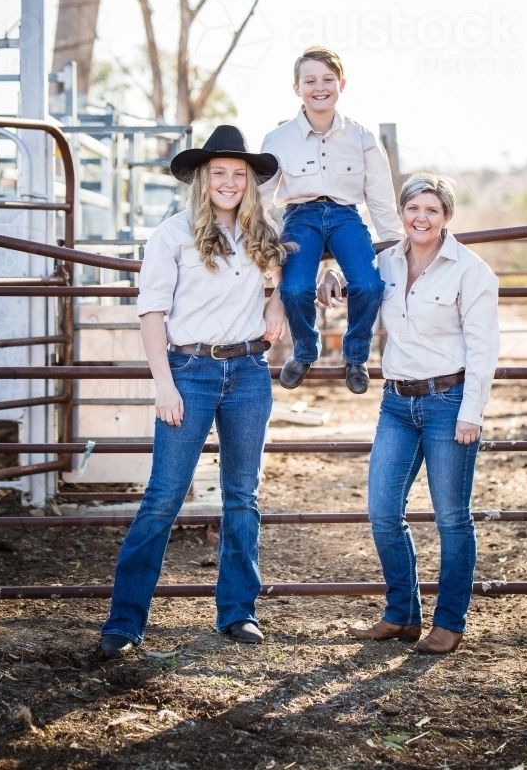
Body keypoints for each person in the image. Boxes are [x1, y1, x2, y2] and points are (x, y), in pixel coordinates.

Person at [99, 126, 287, 658]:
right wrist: (164, 384)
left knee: (242, 496)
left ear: (249, 183)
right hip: (189, 371)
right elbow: (152, 313)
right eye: (219, 173)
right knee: (164, 497)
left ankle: (238, 612)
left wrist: (273, 305)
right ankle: (125, 621)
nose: (228, 182)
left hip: (248, 372)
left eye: (238, 174)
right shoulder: (173, 234)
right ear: (203, 180)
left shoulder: (261, 233)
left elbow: (276, 283)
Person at [319, 172, 499, 654]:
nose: (421, 218)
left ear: (446, 217)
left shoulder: (471, 271)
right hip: (396, 403)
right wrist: (334, 273)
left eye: (432, 210)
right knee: (382, 511)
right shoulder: (385, 263)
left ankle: (450, 622)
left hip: (448, 404)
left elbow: (484, 348)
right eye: (413, 209)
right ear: (402, 213)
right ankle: (402, 614)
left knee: (452, 519)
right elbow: (354, 283)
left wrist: (472, 413)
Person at [259, 45, 403, 395]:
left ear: (342, 83)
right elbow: (259, 201)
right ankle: (306, 351)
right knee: (294, 289)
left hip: (345, 216)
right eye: (309, 80)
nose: (319, 87)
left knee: (369, 285)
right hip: (299, 217)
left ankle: (355, 357)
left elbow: (382, 202)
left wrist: (403, 252)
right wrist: (268, 244)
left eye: (327, 79)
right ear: (297, 88)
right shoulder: (277, 140)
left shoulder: (362, 137)